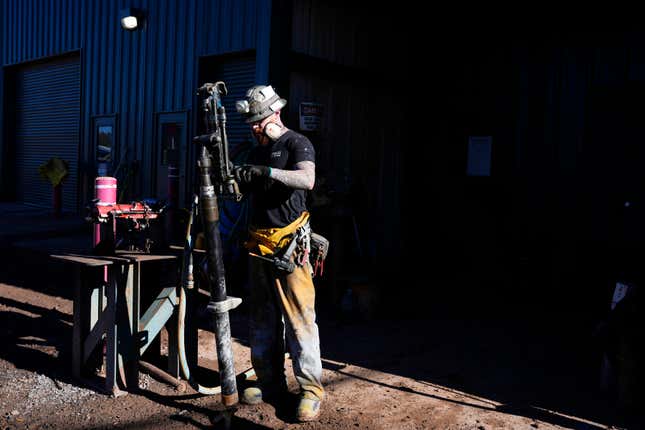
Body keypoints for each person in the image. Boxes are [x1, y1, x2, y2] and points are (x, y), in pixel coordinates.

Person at [233, 84, 324, 422]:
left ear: (275, 115)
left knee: (300, 322)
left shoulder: (296, 143)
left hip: (290, 247)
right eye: (252, 124)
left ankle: (311, 391)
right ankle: (270, 382)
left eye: (258, 122)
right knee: (262, 320)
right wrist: (241, 181)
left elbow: (307, 179)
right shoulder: (256, 150)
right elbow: (252, 190)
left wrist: (269, 171)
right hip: (258, 244)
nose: (255, 128)